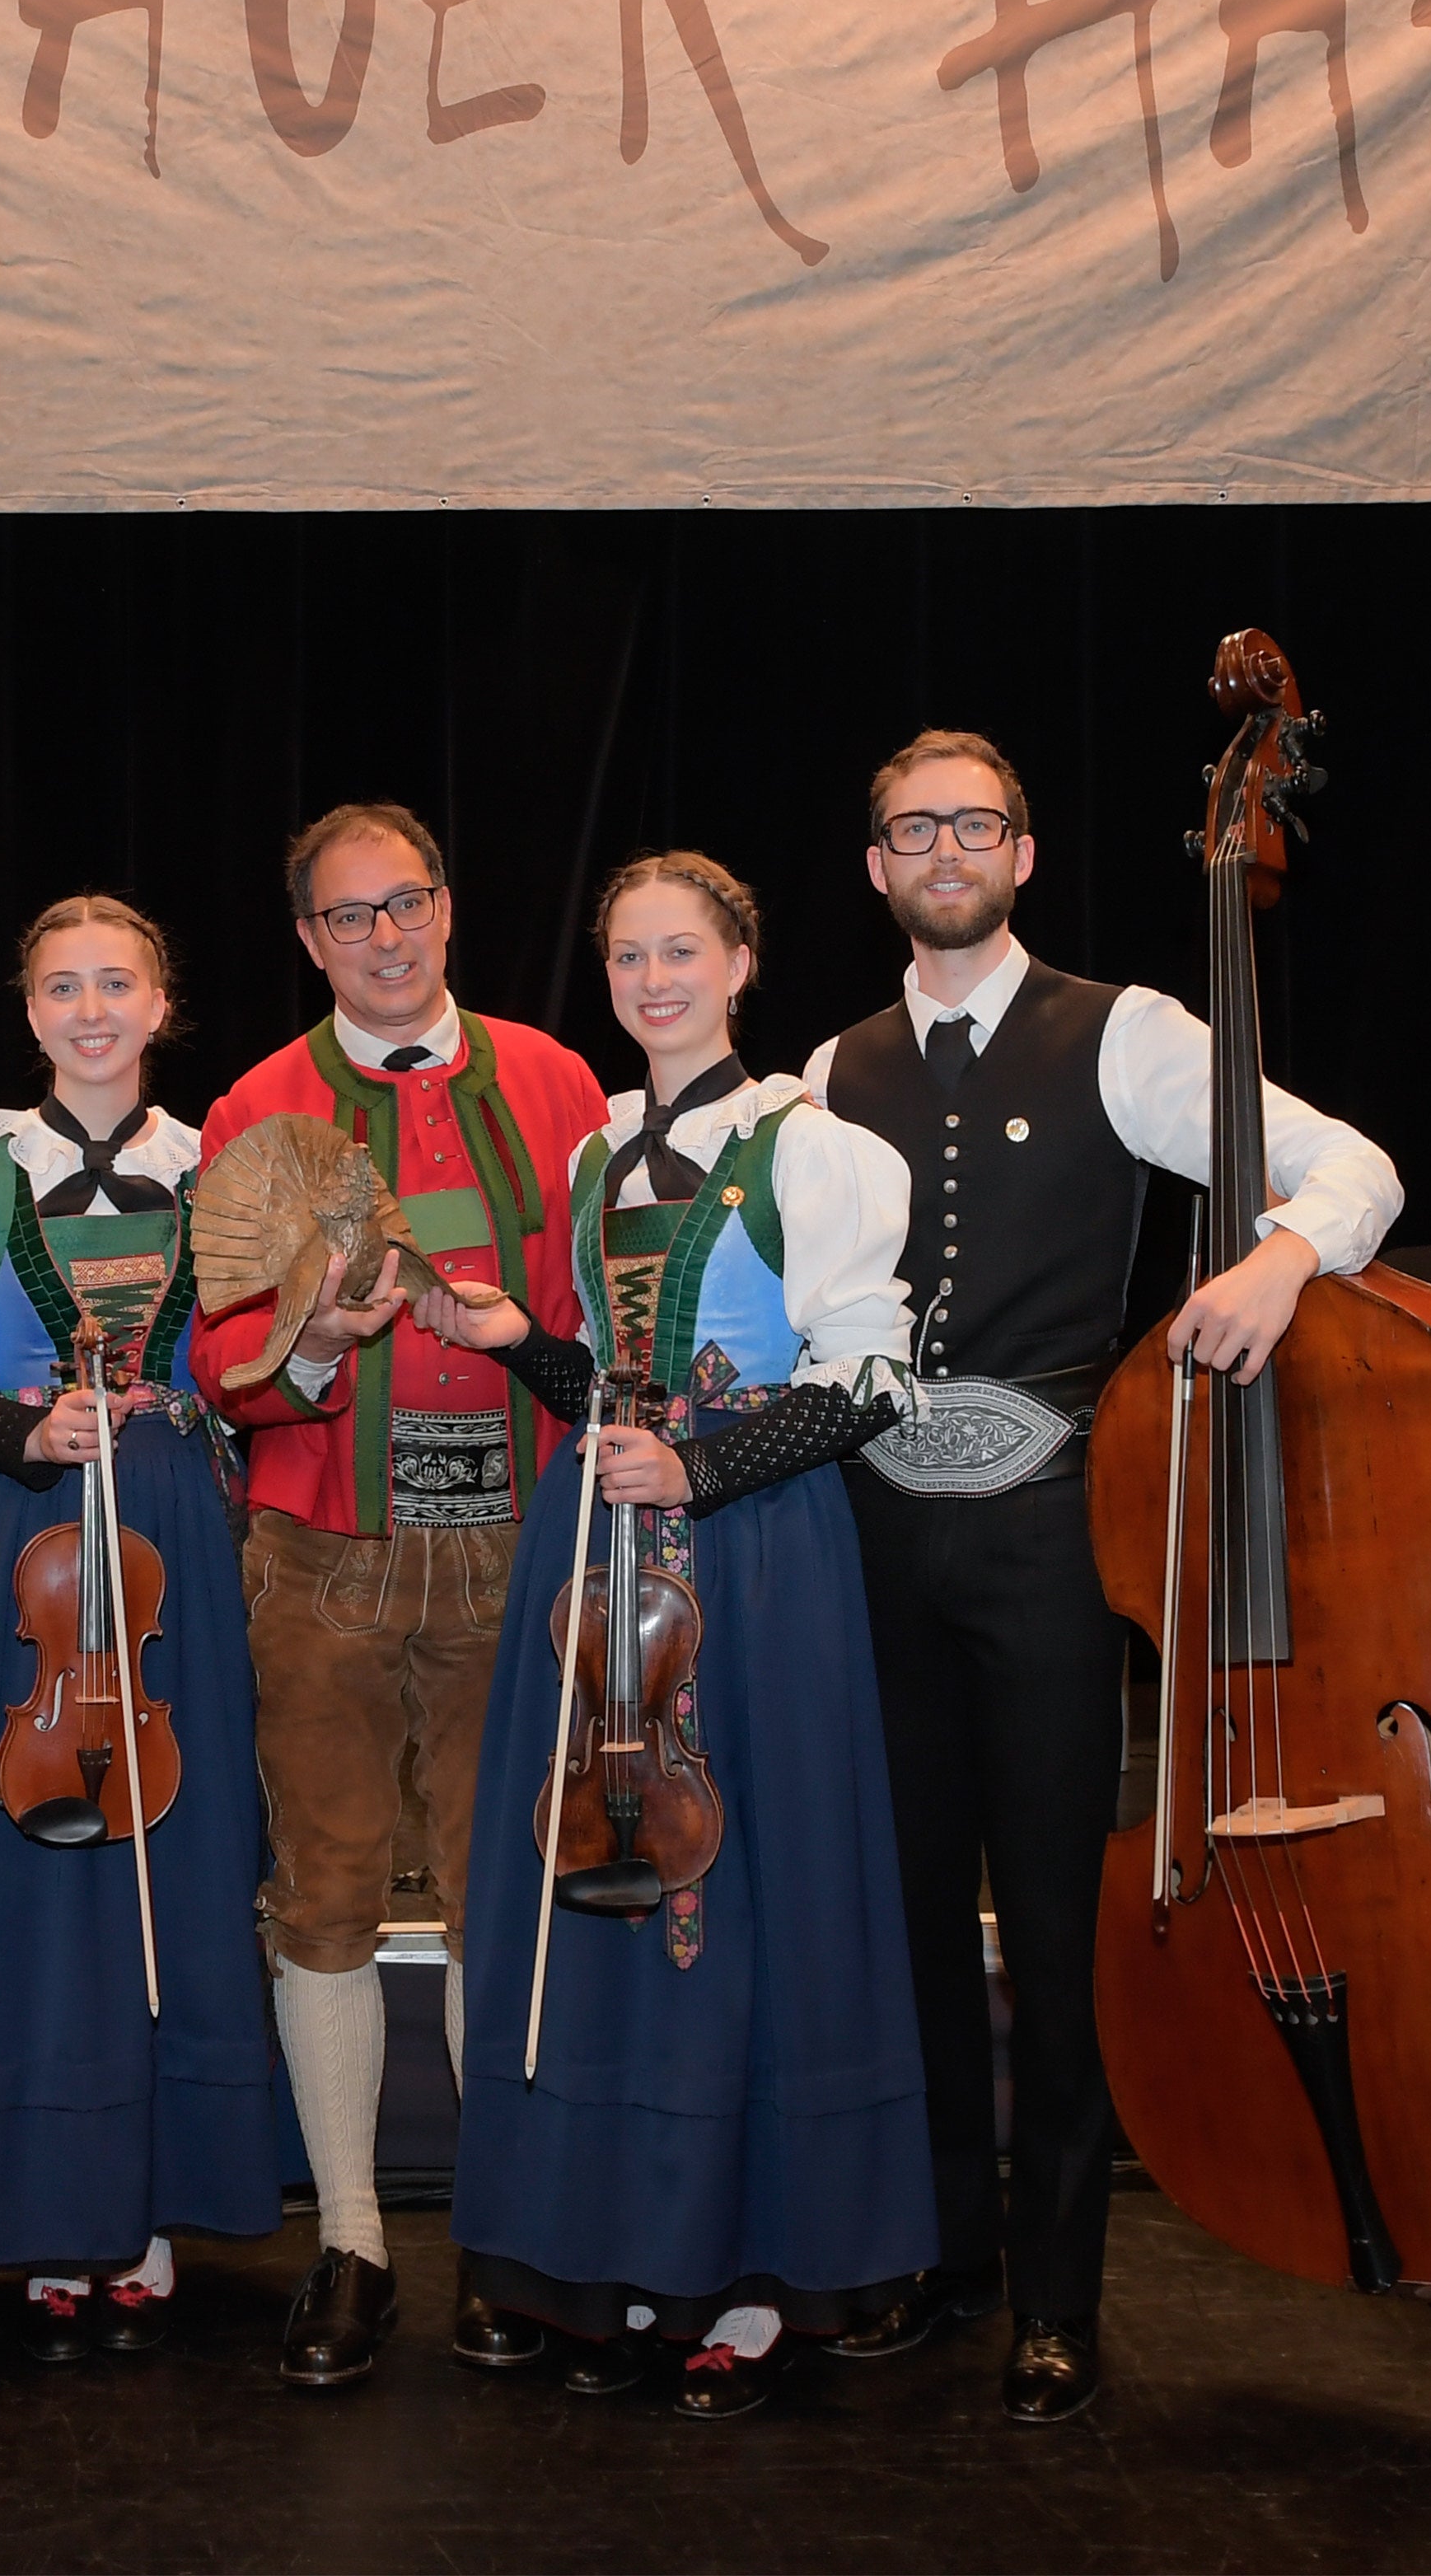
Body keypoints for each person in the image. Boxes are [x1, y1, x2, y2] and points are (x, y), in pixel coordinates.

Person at [797, 728, 1402, 2425]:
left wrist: (1285, 1256)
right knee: (907, 1910)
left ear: (1024, 850)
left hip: (1058, 1528)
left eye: (970, 822)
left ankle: (1058, 2291)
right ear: (874, 865)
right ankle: (937, 2249)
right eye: (910, 825)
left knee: (1055, 1920)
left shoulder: (1125, 1031)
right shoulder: (828, 1071)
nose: (942, 847)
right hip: (872, 1524)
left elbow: (1357, 1166)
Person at [422, 851, 926, 2420]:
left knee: (748, 1892)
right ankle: (619, 2245)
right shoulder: (589, 1162)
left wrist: (701, 1467)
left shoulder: (817, 1151)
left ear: (740, 962)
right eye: (629, 957)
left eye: (681, 953)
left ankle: (765, 2276)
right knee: (598, 1887)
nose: (654, 982)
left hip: (756, 1562)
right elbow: (606, 1384)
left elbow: (871, 1382)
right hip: (601, 1551)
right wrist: (529, 1350)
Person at [191, 800, 611, 2390]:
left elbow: (587, 1320)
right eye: (350, 917)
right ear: (309, 939)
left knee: (510, 1894)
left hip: (517, 1547)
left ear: (448, 910)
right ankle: (354, 2241)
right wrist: (317, 1345)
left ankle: (500, 2240)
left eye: (408, 905)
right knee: (328, 1895)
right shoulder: (259, 1101)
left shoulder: (560, 1081)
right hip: (322, 1555)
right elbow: (222, 1355)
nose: (385, 937)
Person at [0, 897, 282, 2363]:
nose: (92, 1010)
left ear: (161, 1001)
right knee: (17, 1865)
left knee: (172, 1854)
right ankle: (27, 2200)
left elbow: (255, 1358)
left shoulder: (219, 1170)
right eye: (63, 987)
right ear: (29, 1009)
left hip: (170, 1521)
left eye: (118, 982)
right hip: (18, 1529)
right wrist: (28, 1426)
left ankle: (156, 2206)